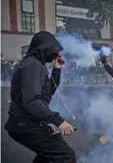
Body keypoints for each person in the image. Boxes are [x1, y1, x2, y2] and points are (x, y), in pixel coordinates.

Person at [4, 31, 76, 163]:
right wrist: (58, 121)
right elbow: (32, 101)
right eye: (53, 51)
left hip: (24, 123)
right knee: (67, 156)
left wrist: (56, 70)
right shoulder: (32, 65)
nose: (55, 54)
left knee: (47, 157)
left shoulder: (35, 64)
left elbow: (46, 95)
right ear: (43, 49)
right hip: (25, 124)